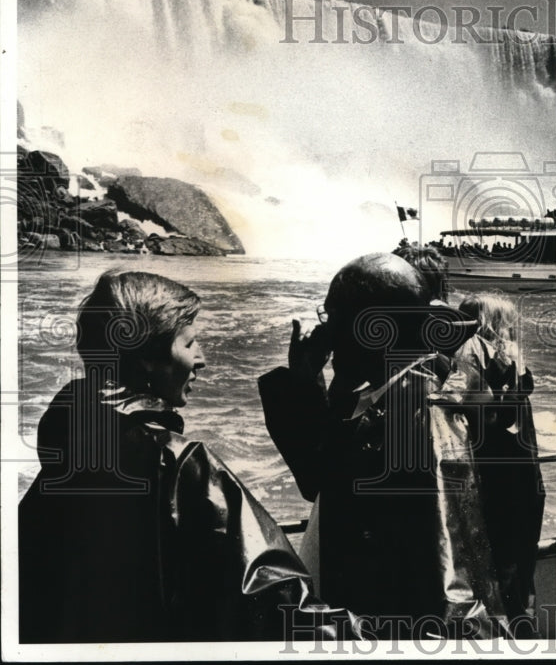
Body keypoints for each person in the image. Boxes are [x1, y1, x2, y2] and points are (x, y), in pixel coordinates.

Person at [18, 270, 355, 644]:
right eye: (190, 344)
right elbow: (279, 599)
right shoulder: (179, 463)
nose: (202, 359)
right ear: (147, 357)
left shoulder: (66, 450)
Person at [258, 253, 509, 639]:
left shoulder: (419, 416)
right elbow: (321, 475)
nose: (325, 333)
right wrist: (308, 382)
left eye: (334, 319)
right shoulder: (390, 394)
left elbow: (449, 579)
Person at [445, 293, 545, 637]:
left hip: (491, 482)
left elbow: (460, 409)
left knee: (488, 576)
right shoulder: (517, 366)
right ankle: (523, 637)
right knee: (517, 576)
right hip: (525, 482)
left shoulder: (471, 353)